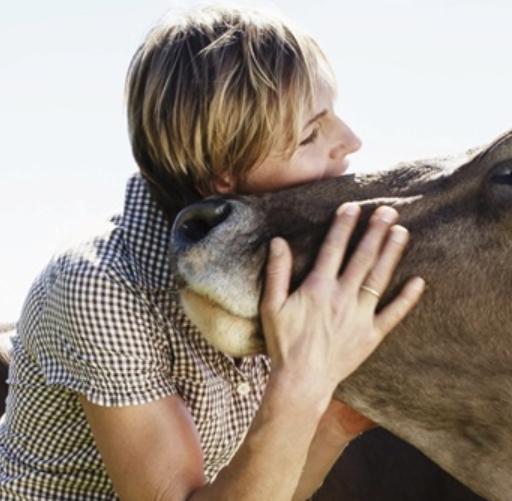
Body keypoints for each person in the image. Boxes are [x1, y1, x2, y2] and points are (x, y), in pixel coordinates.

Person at [0, 4, 425, 500]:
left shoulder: (278, 260)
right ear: (222, 173)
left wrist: (334, 419)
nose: (350, 142)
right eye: (311, 133)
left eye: (333, 115)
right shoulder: (101, 283)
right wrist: (304, 378)